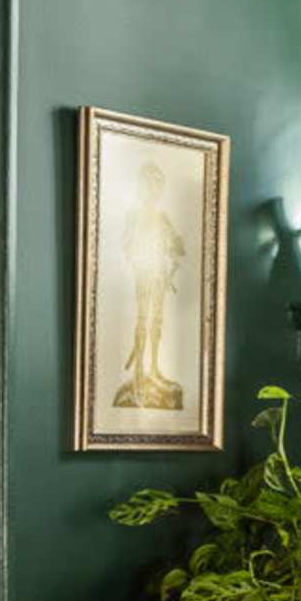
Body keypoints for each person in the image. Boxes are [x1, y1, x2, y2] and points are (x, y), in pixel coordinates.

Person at [110, 155, 190, 412]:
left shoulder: (162, 216)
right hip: (143, 273)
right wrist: (138, 260)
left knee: (157, 320)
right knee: (143, 320)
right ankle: (139, 372)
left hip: (159, 274)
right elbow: (127, 242)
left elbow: (177, 245)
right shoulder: (135, 215)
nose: (154, 189)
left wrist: (172, 256)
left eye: (157, 184)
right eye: (149, 183)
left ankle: (154, 369)